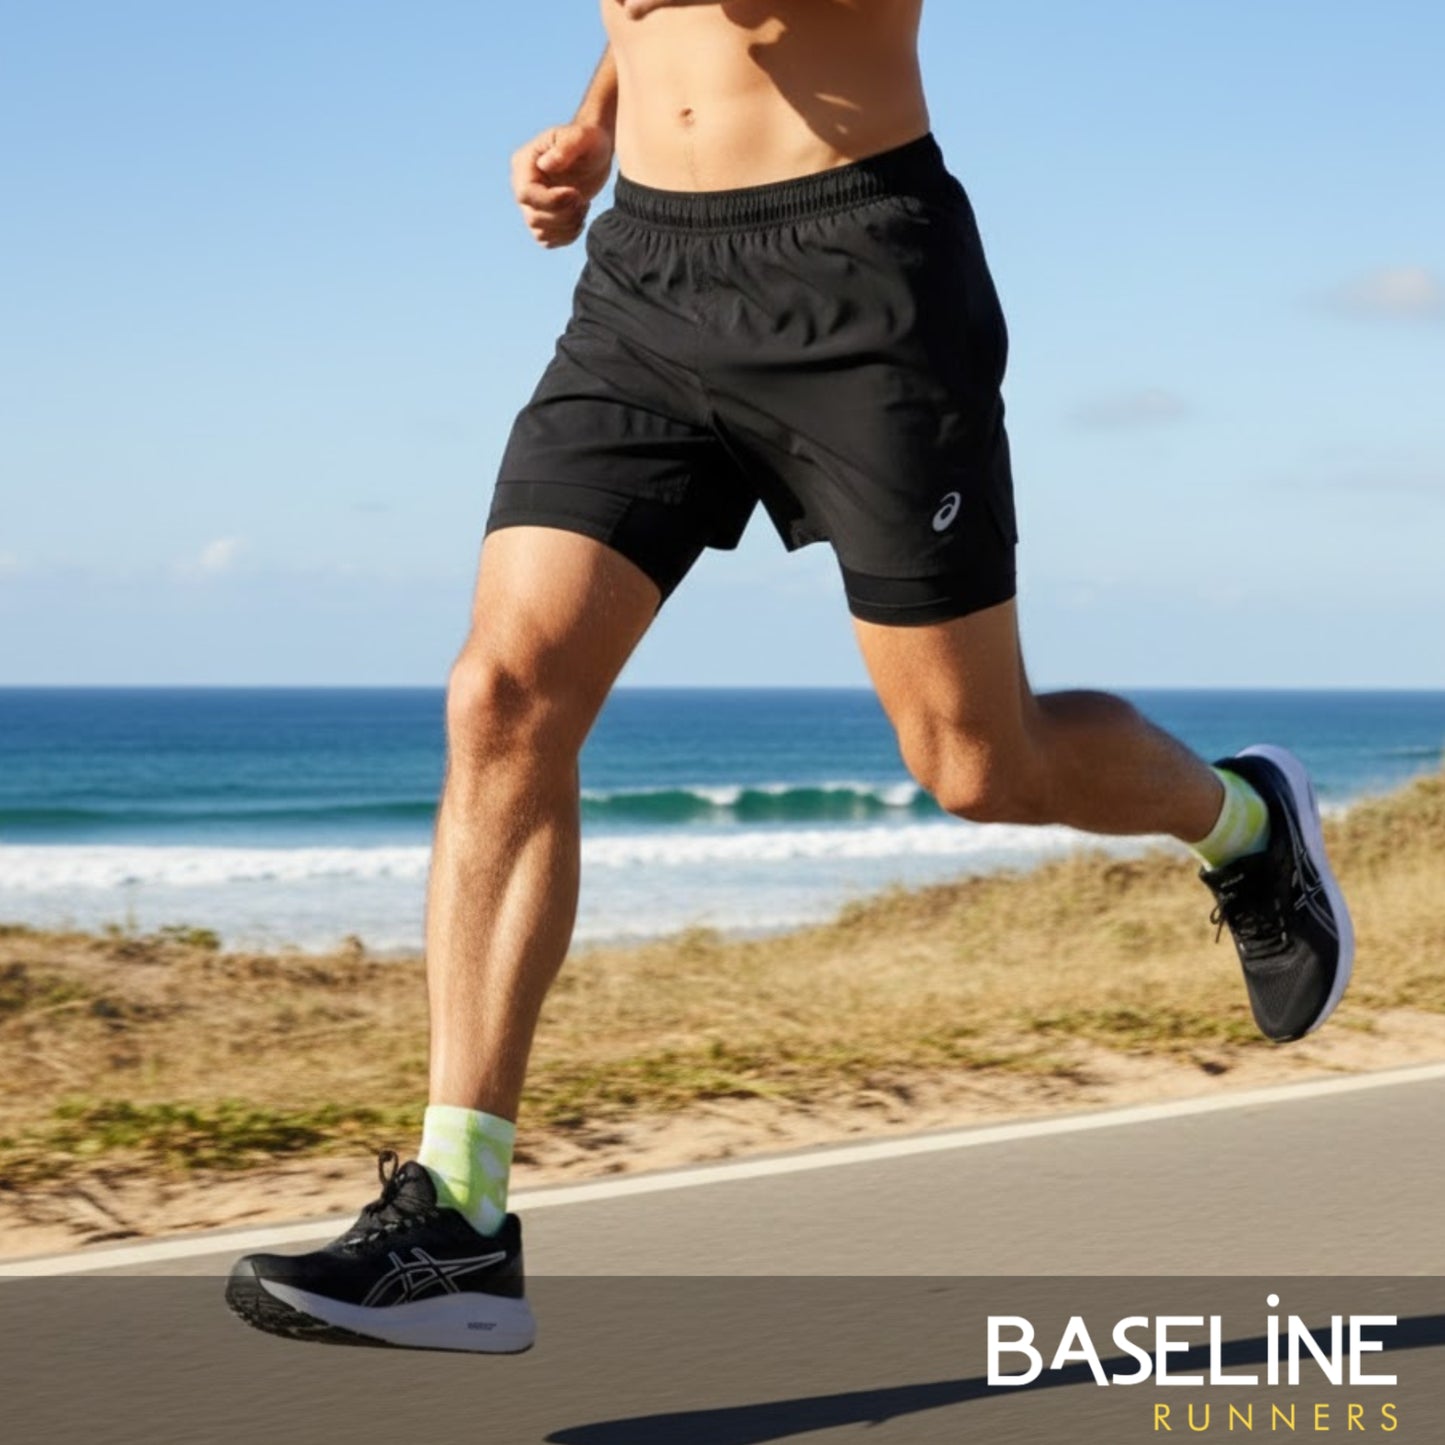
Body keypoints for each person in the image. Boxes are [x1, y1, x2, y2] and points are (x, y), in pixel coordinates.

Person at [226, 0, 1353, 1352]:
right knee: (502, 693)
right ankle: (457, 1221)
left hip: (858, 268)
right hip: (645, 278)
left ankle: (1240, 821)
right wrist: (595, 122)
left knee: (972, 762)